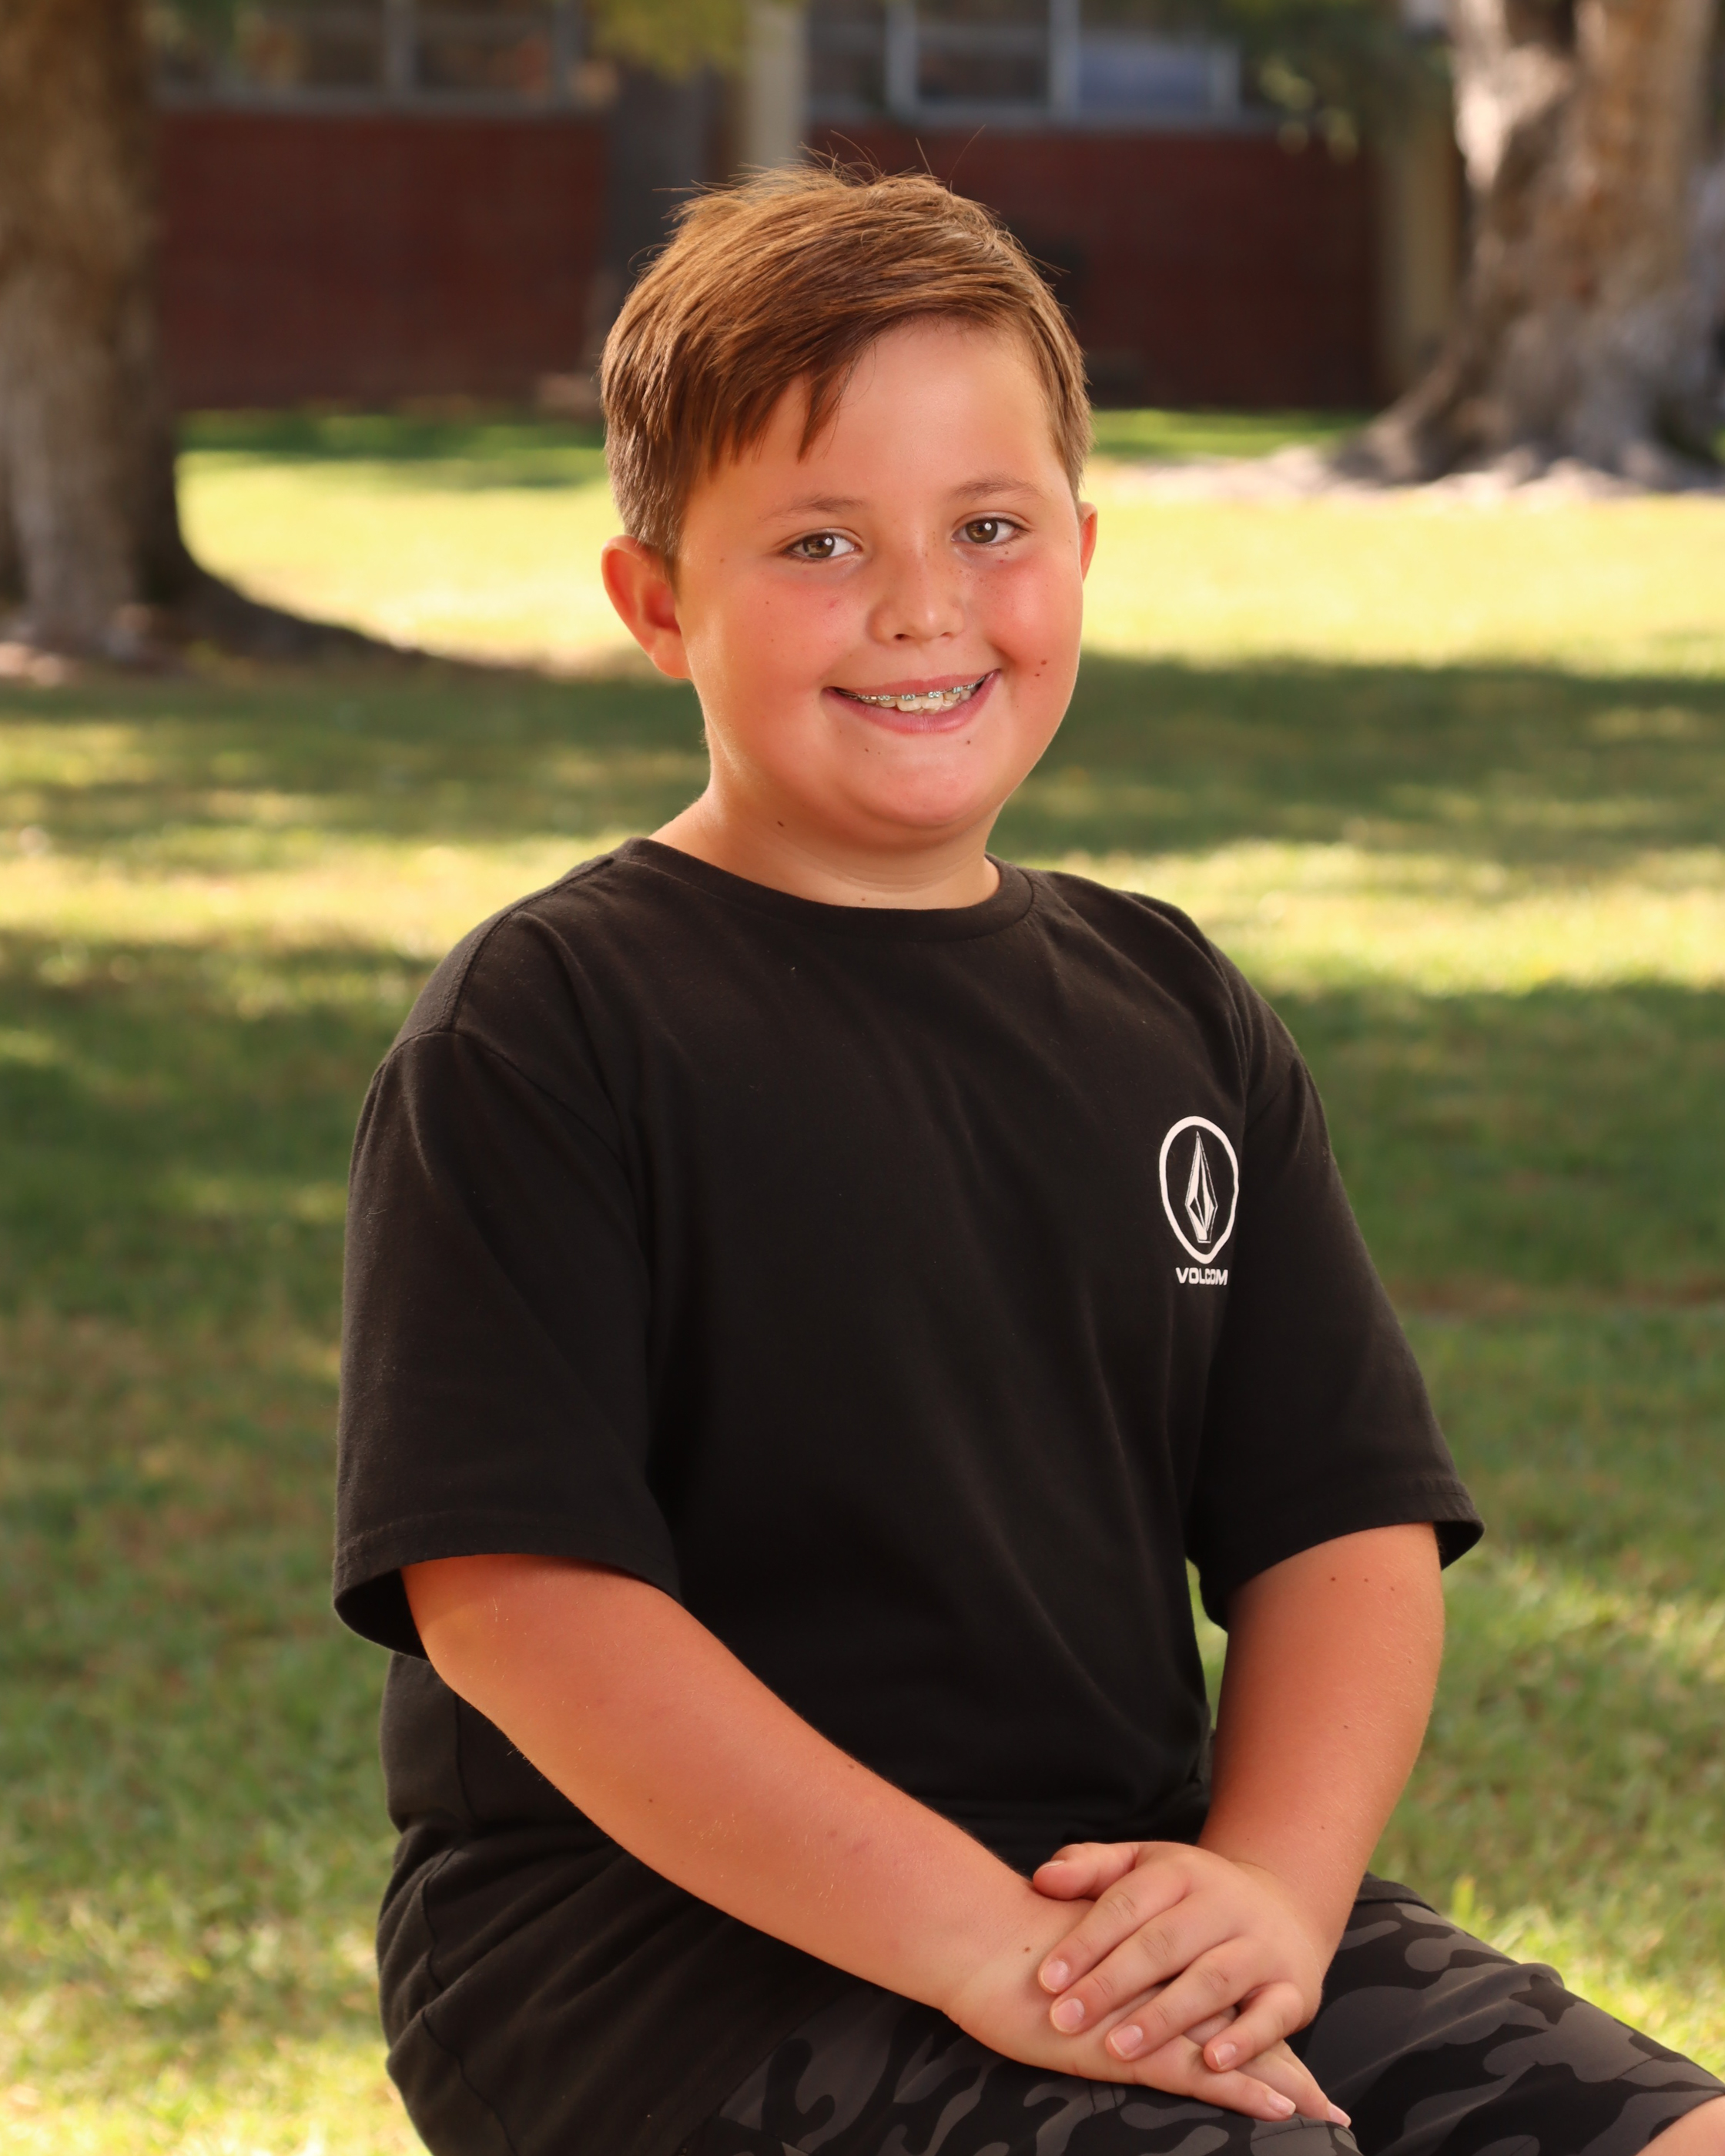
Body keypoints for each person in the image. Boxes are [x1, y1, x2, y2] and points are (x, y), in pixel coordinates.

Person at [332, 168, 1725, 2156]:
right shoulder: (547, 1028)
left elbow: (1344, 1533)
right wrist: (979, 1944)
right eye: (821, 541)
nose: (923, 607)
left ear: (1080, 549)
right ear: (656, 605)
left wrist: (1272, 1894)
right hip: (652, 1956)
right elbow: (519, 1603)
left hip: (1121, 1882)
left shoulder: (1172, 1010)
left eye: (988, 528)